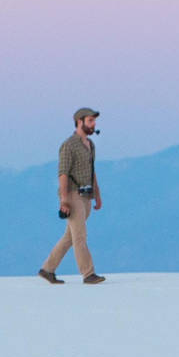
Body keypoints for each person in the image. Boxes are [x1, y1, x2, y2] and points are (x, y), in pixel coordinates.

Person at [38, 107, 106, 284]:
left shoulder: (90, 145)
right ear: (79, 122)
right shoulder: (69, 145)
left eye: (94, 121)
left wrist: (97, 195)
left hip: (86, 196)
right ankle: (88, 273)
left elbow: (92, 172)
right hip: (73, 195)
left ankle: (47, 269)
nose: (93, 124)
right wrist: (64, 200)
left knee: (70, 236)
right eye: (90, 121)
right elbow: (63, 173)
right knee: (80, 236)